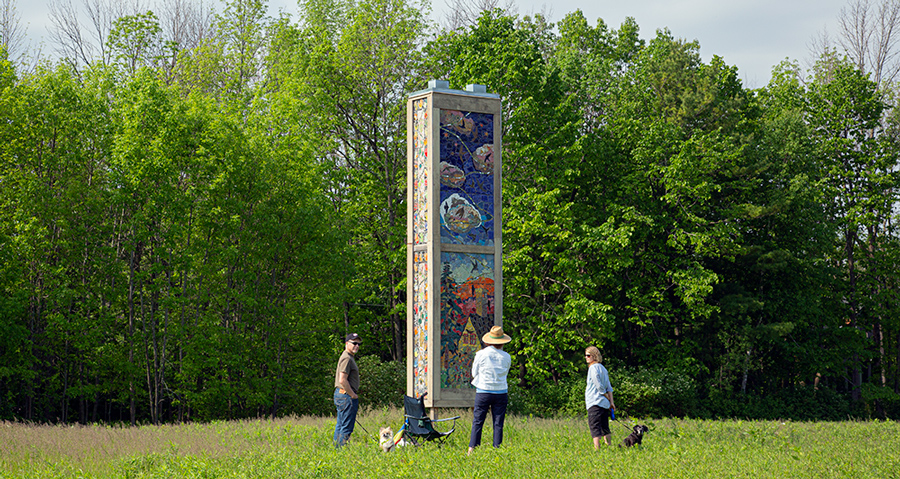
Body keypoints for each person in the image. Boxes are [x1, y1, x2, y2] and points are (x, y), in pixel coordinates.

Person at [468, 325, 512, 454]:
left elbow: (473, 373)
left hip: (483, 390)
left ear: (488, 341)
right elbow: (506, 372)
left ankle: (472, 448)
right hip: (501, 391)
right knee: (498, 423)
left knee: (478, 420)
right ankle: (497, 449)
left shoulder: (481, 354)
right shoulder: (507, 356)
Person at [333, 333, 361, 447]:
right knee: (346, 427)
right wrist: (353, 395)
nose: (357, 346)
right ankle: (341, 451)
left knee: (340, 425)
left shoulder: (348, 357)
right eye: (354, 343)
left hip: (342, 395)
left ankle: (336, 450)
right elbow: (342, 380)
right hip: (345, 396)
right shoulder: (346, 358)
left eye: (359, 344)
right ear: (346, 343)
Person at [584, 346, 615, 449]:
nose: (586, 357)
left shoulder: (593, 368)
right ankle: (609, 446)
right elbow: (609, 387)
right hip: (604, 404)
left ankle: (597, 449)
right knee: (605, 426)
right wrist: (611, 402)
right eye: (586, 355)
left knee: (595, 427)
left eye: (588, 355)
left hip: (594, 402)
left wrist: (605, 396)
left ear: (594, 356)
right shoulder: (603, 368)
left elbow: (599, 386)